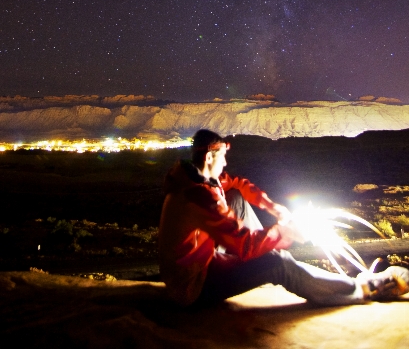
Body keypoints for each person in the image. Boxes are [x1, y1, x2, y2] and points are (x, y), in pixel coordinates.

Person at [159, 129, 409, 307]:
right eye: (223, 156)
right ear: (209, 157)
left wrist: (275, 209)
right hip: (193, 285)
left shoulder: (197, 178)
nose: (225, 163)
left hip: (202, 261)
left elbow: (238, 183)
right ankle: (363, 289)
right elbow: (244, 245)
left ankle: (264, 265)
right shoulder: (198, 196)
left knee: (236, 199)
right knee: (278, 261)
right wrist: (286, 232)